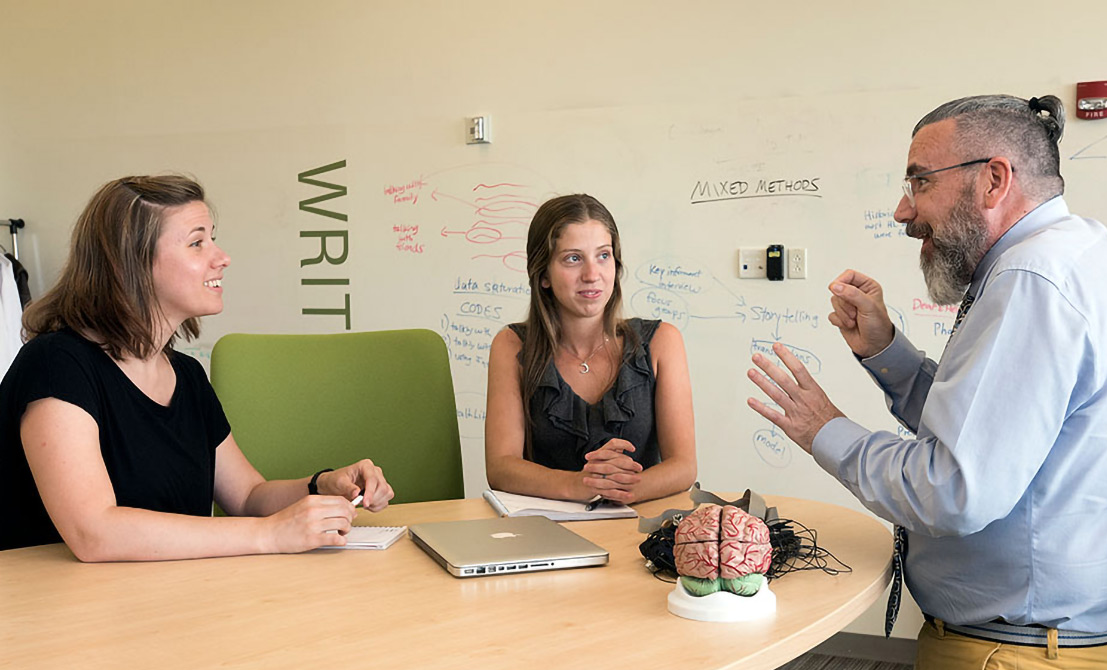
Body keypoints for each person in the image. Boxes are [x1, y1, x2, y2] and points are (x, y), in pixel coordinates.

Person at [748, 95, 1107, 670]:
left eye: (919, 183)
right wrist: (886, 351)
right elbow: (989, 435)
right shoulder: (1074, 250)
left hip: (1015, 658)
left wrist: (825, 430)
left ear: (993, 180)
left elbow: (953, 488)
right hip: (1047, 646)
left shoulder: (1028, 279)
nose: (901, 210)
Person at [0, 175, 395, 559]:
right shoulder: (56, 365)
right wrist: (270, 534)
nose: (221, 258)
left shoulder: (186, 375)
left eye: (213, 239)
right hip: (57, 614)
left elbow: (246, 496)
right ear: (129, 264)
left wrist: (323, 485)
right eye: (196, 243)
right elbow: (94, 532)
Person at [486, 194, 696, 504]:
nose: (592, 274)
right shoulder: (511, 345)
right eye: (573, 258)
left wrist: (616, 488)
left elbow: (683, 467)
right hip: (545, 534)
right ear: (543, 273)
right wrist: (580, 484)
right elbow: (501, 468)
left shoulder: (663, 340)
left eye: (603, 255)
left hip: (636, 529)